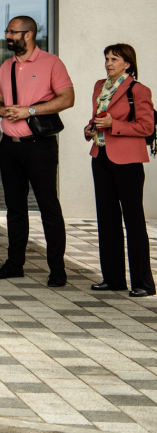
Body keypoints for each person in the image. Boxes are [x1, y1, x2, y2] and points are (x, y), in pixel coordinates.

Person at [0, 15, 75, 287]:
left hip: (39, 147)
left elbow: (67, 98)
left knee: (48, 206)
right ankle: (15, 264)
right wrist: (1, 110)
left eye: (12, 32)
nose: (7, 36)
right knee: (15, 209)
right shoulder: (6, 67)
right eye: (7, 31)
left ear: (28, 34)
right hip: (9, 148)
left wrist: (30, 111)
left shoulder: (51, 63)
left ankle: (57, 269)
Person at [84, 44, 154, 297]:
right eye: (106, 58)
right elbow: (96, 118)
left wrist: (115, 125)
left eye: (115, 59)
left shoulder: (139, 90)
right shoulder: (99, 86)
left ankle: (143, 283)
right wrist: (89, 129)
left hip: (128, 162)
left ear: (128, 63)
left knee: (133, 221)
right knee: (107, 219)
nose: (109, 63)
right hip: (100, 157)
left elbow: (146, 127)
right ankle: (113, 278)